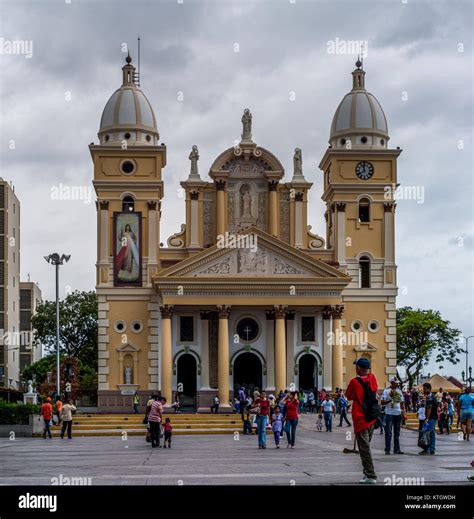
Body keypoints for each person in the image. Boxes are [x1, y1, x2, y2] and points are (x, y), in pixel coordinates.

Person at [345, 357, 379, 484]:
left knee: (364, 449)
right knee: (365, 446)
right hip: (371, 417)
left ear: (359, 368)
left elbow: (349, 396)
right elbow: (375, 389)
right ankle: (366, 473)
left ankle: (371, 475)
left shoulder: (354, 381)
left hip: (360, 419)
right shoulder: (373, 378)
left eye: (356, 366)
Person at [381, 377, 405, 455]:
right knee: (388, 432)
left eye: (397, 383)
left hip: (398, 413)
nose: (397, 384)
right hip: (389, 413)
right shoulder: (386, 390)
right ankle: (387, 449)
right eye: (396, 382)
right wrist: (390, 400)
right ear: (391, 383)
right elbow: (382, 402)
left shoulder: (399, 390)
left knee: (397, 432)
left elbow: (402, 402)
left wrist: (403, 411)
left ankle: (397, 449)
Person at [419, 382, 438, 455]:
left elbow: (429, 409)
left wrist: (426, 418)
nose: (423, 391)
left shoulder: (430, 397)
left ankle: (428, 449)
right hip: (433, 417)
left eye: (424, 389)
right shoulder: (432, 397)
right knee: (432, 433)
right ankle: (432, 449)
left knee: (428, 433)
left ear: (429, 389)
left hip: (430, 418)